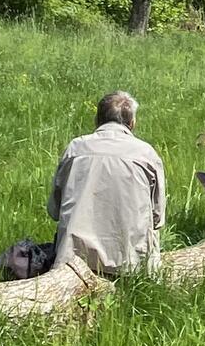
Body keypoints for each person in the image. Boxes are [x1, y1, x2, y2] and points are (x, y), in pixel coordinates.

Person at [47, 91, 165, 275]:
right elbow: (158, 217)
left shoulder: (75, 148)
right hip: (131, 263)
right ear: (132, 123)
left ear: (97, 120)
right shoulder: (146, 154)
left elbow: (54, 210)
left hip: (74, 261)